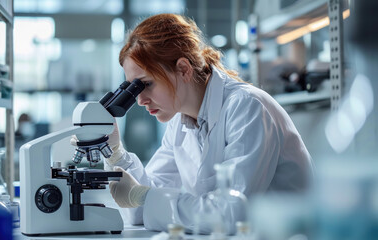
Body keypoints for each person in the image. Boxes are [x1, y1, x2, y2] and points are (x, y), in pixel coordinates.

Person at [77, 13, 314, 234]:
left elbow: (230, 213)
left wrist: (143, 196)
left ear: (183, 69)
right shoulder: (180, 121)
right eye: (132, 88)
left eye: (146, 84)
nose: (139, 100)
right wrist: (116, 154)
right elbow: (141, 208)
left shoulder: (246, 107)